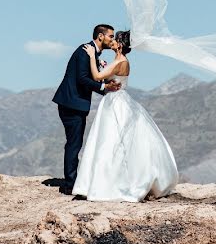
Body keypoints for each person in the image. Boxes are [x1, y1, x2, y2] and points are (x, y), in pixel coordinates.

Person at [71, 30, 179, 202]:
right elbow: (107, 76)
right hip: (115, 99)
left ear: (120, 45)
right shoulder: (119, 61)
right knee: (113, 142)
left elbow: (97, 76)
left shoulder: (120, 61)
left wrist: (92, 56)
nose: (112, 42)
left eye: (115, 40)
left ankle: (112, 183)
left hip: (115, 102)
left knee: (112, 141)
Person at [51, 24, 121, 196]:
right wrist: (104, 87)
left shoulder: (92, 53)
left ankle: (72, 181)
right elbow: (82, 79)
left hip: (75, 103)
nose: (112, 39)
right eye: (110, 36)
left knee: (75, 143)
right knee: (74, 144)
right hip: (71, 104)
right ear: (100, 36)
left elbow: (88, 75)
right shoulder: (85, 51)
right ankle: (69, 185)